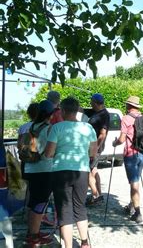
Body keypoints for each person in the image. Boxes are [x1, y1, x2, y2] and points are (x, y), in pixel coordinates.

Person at [44, 97, 97, 248]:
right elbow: (93, 152)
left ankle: (68, 246)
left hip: (60, 171)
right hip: (81, 170)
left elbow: (48, 153)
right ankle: (85, 242)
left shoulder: (57, 128)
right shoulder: (88, 128)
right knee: (80, 207)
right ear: (77, 110)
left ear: (63, 110)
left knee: (64, 210)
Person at [112, 96, 143, 224]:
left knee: (134, 183)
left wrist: (115, 143)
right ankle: (131, 205)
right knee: (136, 180)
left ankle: (137, 213)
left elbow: (122, 139)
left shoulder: (126, 119)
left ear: (128, 106)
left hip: (131, 154)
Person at [23, 100, 55, 247]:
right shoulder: (49, 129)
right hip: (43, 169)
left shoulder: (32, 126)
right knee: (40, 204)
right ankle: (34, 236)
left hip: (30, 168)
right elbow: (49, 152)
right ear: (51, 114)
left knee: (33, 203)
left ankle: (31, 232)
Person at [86, 93, 109, 206]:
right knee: (94, 170)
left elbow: (103, 134)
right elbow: (83, 110)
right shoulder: (96, 112)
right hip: (94, 146)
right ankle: (99, 194)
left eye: (91, 102)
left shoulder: (104, 115)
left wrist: (96, 148)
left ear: (95, 103)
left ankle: (95, 195)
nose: (90, 104)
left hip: (95, 147)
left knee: (87, 171)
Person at [17, 103, 39, 181]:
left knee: (27, 184)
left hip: (25, 159)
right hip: (39, 161)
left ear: (28, 114)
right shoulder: (43, 126)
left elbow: (19, 145)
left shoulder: (23, 127)